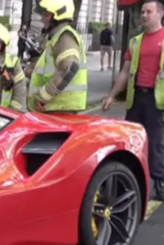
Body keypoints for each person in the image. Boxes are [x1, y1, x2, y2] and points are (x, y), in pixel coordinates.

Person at [103, 0, 164, 200]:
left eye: (148, 12)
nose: (144, 15)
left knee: (155, 142)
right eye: (142, 12)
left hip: (157, 100)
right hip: (136, 97)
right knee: (130, 140)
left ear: (160, 14)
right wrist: (111, 96)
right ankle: (127, 178)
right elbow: (125, 72)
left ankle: (159, 180)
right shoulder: (135, 41)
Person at [27, 0, 88, 114]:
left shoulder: (65, 37)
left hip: (60, 108)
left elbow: (68, 68)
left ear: (58, 16)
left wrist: (43, 96)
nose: (42, 19)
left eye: (46, 15)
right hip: (55, 107)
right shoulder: (55, 37)